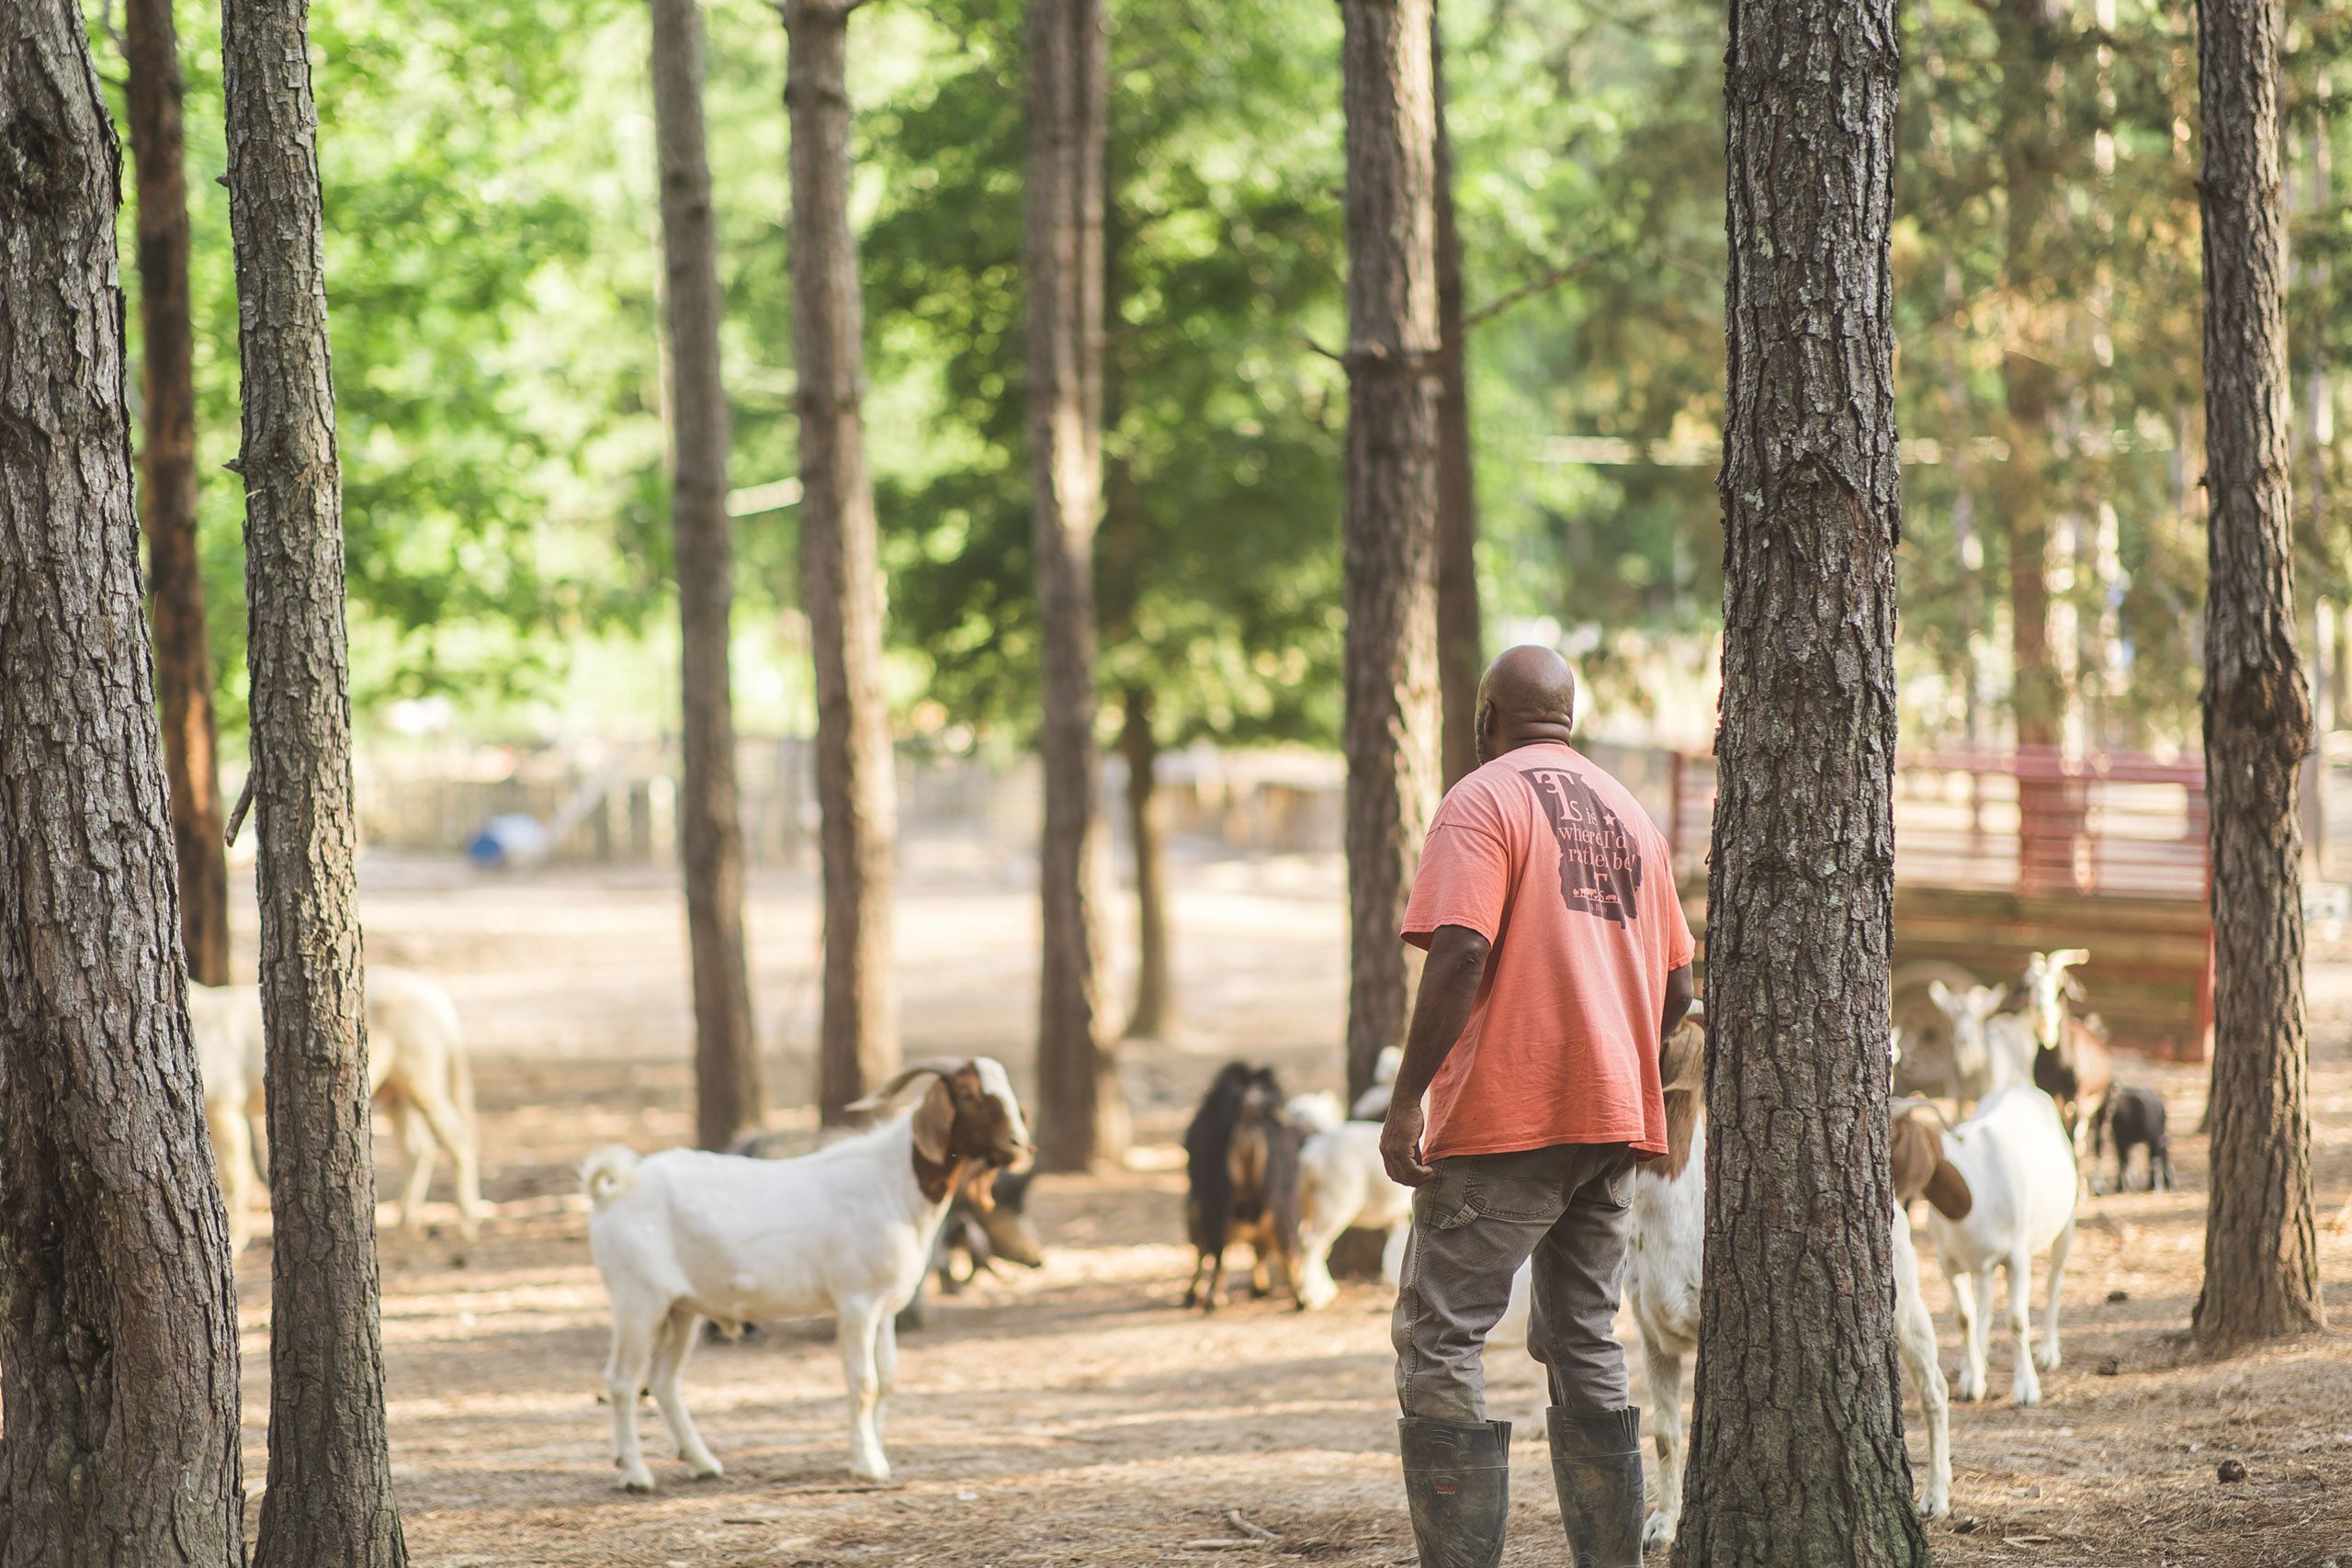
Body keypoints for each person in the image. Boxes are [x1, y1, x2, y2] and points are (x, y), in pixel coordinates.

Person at [1380, 646, 1695, 1568]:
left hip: (1507, 1116)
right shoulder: (1632, 818)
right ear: (1569, 716)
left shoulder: (1481, 800)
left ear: (1487, 720)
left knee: (1441, 1335)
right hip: (1614, 1119)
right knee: (1583, 1332)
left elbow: (1460, 951)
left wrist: (1406, 1101)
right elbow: (1678, 991)